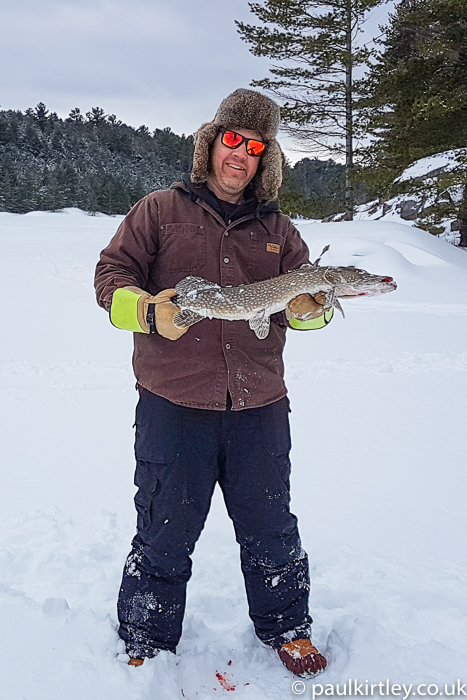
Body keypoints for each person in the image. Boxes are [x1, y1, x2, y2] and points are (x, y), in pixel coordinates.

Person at [94, 88, 332, 678]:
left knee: (271, 527)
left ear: (264, 159)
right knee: (164, 527)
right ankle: (146, 634)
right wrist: (150, 312)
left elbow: (312, 314)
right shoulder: (158, 211)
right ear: (210, 143)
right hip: (174, 405)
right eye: (232, 140)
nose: (240, 155)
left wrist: (309, 306)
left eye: (254, 147)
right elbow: (109, 277)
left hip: (259, 407)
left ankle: (288, 628)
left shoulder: (281, 231)